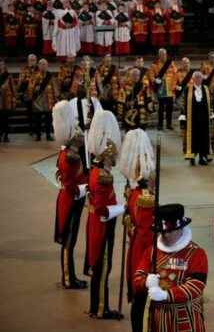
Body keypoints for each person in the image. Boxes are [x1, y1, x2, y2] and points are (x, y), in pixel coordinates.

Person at [132, 203, 208, 332]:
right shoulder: (152, 251)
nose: (165, 235)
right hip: (157, 318)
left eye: (169, 231)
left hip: (185, 318)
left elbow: (196, 285)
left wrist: (167, 295)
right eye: (162, 231)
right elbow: (138, 275)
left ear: (180, 228)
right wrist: (146, 282)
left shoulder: (196, 253)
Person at [84, 110, 123, 319]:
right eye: (113, 155)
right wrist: (121, 208)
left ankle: (96, 305)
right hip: (102, 224)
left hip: (96, 223)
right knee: (103, 267)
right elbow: (101, 208)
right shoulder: (104, 177)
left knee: (100, 267)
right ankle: (101, 308)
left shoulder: (96, 171)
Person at [116, 128, 156, 332]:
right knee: (143, 300)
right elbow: (148, 228)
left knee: (139, 300)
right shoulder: (144, 195)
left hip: (136, 248)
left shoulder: (132, 191)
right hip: (145, 251)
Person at [52, 101, 88, 290]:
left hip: (72, 198)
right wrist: (87, 188)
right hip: (70, 199)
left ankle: (71, 275)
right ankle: (67, 278)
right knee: (69, 240)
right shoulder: (69, 156)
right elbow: (70, 186)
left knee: (71, 239)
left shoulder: (67, 152)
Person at [180, 71, 214, 166]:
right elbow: (184, 102)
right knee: (193, 137)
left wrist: (211, 112)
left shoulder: (206, 89)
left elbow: (210, 101)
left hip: (204, 118)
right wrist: (183, 113)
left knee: (204, 138)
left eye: (200, 78)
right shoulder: (188, 89)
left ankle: (202, 157)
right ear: (193, 79)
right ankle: (192, 156)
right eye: (196, 77)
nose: (198, 79)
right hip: (192, 118)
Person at [27, 59, 58, 141]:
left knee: (48, 119)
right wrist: (34, 89)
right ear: (38, 65)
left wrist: (56, 98)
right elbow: (30, 87)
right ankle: (38, 135)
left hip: (48, 100)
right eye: (41, 64)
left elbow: (55, 87)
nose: (43, 66)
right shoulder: (34, 76)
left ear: (47, 66)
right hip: (38, 100)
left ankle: (48, 135)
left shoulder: (50, 76)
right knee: (38, 119)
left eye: (45, 64)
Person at [150, 48, 177, 131]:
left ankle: (169, 124)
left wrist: (175, 85)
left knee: (170, 108)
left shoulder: (171, 63)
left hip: (170, 89)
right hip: (161, 89)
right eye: (161, 54)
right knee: (161, 108)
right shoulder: (154, 65)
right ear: (159, 55)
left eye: (164, 54)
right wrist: (155, 80)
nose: (163, 56)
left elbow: (175, 74)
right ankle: (160, 124)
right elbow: (151, 75)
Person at [0, 60, 14, 143]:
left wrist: (14, 97)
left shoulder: (8, 76)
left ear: (4, 66)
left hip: (6, 100)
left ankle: (6, 135)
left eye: (2, 64)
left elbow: (12, 88)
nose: (0, 66)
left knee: (6, 119)